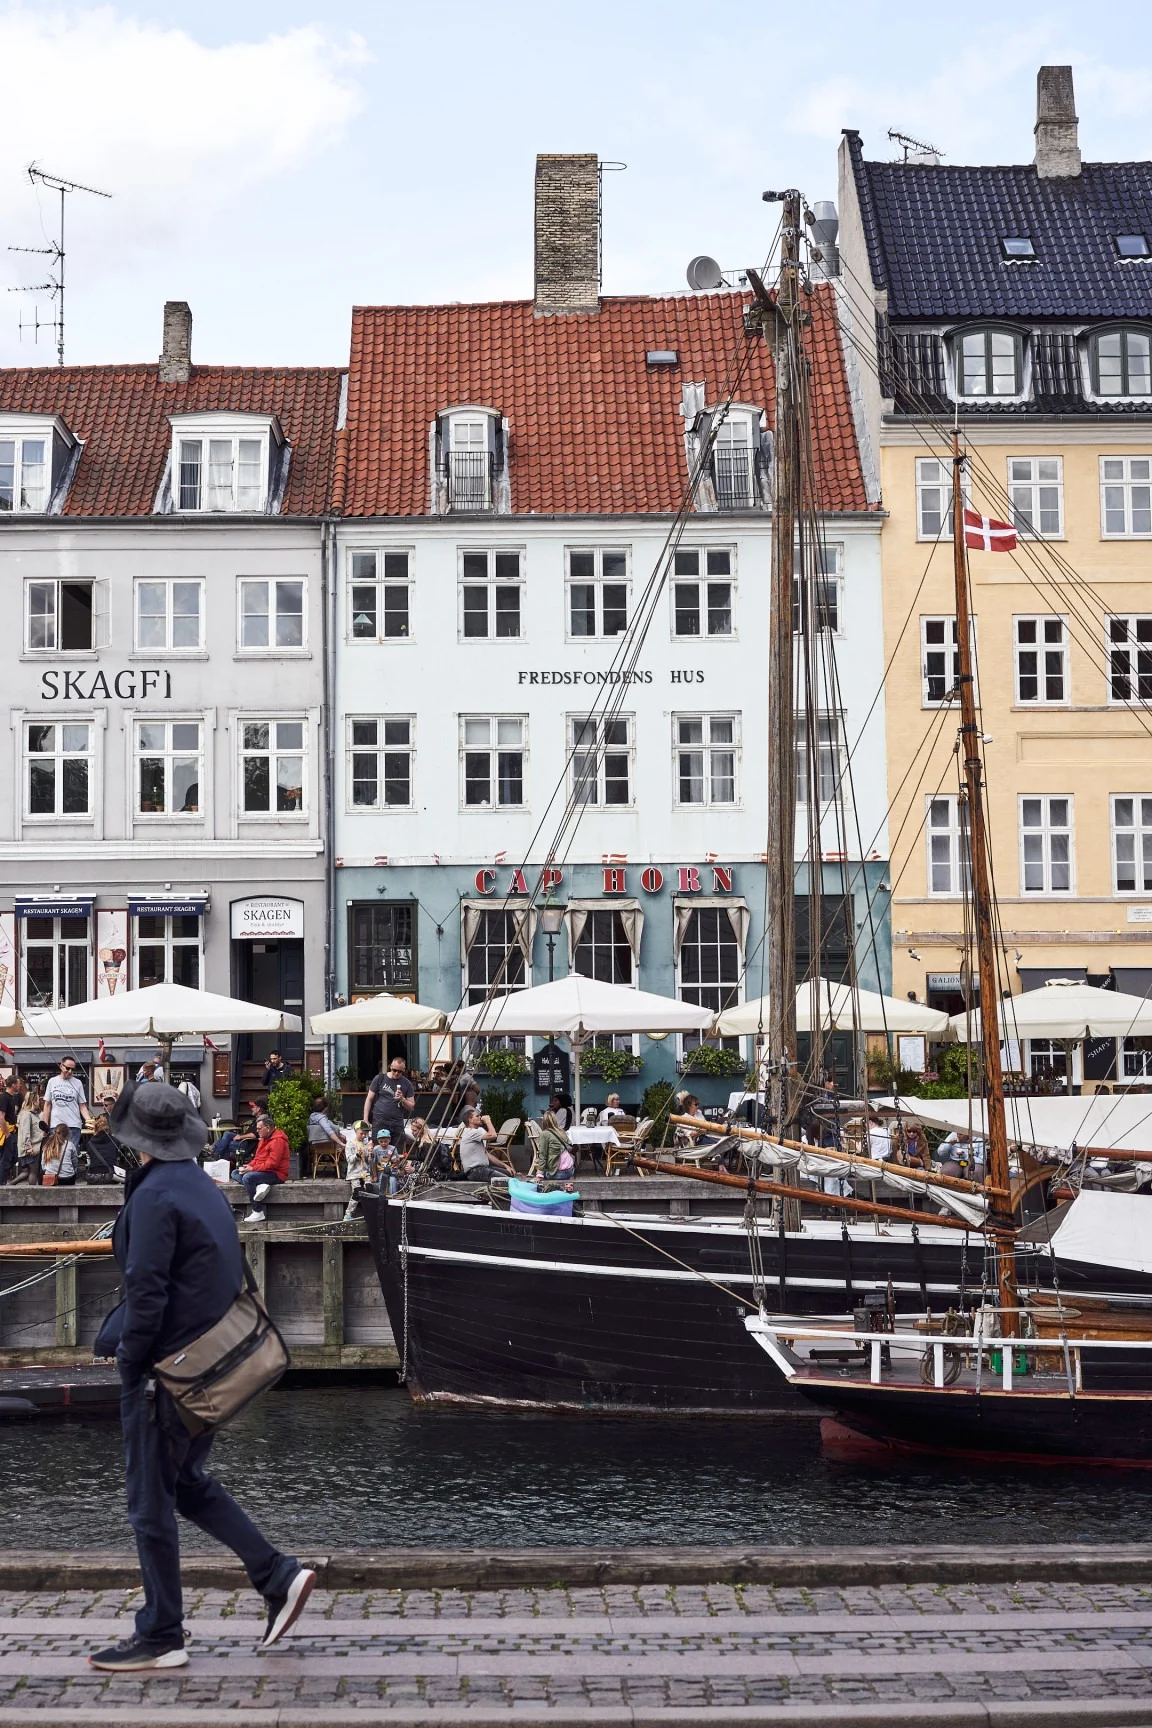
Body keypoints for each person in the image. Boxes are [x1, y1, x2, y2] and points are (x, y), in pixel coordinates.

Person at [88, 1081, 314, 1672]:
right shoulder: (202, 1187)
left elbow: (147, 1296)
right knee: (185, 1481)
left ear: (134, 1138)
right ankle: (276, 1574)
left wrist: (132, 1366)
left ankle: (163, 1632)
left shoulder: (154, 1196)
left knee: (148, 1505)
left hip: (167, 1376)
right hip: (209, 1369)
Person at [43, 1057, 94, 1180]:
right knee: (54, 1152)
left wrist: (88, 1120)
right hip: (56, 1124)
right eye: (68, 1068)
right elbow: (47, 1105)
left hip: (73, 1124)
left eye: (73, 1069)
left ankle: (71, 1178)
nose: (70, 1071)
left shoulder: (77, 1083)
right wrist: (44, 1125)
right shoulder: (52, 1082)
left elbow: (82, 1105)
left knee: (71, 1153)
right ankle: (53, 1178)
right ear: (61, 1066)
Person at [236, 1115, 290, 1222]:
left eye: (259, 1129)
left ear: (268, 1128)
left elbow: (272, 1164)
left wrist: (252, 1169)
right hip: (264, 1171)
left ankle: (258, 1211)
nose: (257, 1131)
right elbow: (258, 1158)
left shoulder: (278, 1141)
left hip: (276, 1174)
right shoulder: (263, 1139)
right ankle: (260, 1185)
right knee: (235, 1172)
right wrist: (249, 1166)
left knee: (247, 1178)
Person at [365, 1055, 416, 1145]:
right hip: (379, 1121)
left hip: (397, 1123)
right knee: (378, 1151)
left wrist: (402, 1099)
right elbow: (369, 1099)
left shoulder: (407, 1083)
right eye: (394, 1070)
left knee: (396, 1154)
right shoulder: (379, 1079)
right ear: (390, 1067)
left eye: (400, 1071)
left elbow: (411, 1107)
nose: (396, 1073)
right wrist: (365, 1119)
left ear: (404, 1070)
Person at [456, 1107, 510, 1180]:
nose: (480, 1117)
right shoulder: (471, 1132)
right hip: (475, 1171)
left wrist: (506, 1166)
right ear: (470, 1119)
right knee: (507, 1180)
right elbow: (493, 1135)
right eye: (477, 1116)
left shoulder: (476, 1132)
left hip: (483, 1169)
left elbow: (487, 1154)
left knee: (509, 1174)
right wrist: (488, 1121)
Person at [14, 1086, 45, 1184]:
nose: (39, 1102)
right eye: (37, 1100)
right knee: (33, 1172)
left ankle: (10, 1185)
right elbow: (25, 1132)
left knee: (27, 1172)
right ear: (33, 1101)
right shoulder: (27, 1114)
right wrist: (28, 1147)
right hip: (31, 1149)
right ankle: (32, 1192)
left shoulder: (32, 1114)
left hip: (31, 1147)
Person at [305, 1096, 344, 1170]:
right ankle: (344, 1169)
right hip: (327, 1146)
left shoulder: (312, 1116)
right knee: (345, 1144)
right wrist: (340, 1142)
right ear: (325, 1108)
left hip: (315, 1146)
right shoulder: (321, 1119)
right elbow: (329, 1131)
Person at [533, 1110, 571, 1181]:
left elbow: (543, 1155)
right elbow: (569, 1147)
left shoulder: (544, 1134)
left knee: (545, 1174)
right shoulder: (562, 1131)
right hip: (570, 1171)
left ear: (543, 1121)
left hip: (559, 1173)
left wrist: (539, 1175)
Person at [0, 1073, 24, 1184]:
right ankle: (2, 1183)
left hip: (12, 1132)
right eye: (18, 1084)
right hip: (7, 1133)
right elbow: (1, 1117)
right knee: (7, 1159)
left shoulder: (12, 1097)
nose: (20, 1086)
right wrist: (8, 1134)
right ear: (13, 1085)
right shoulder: (4, 1097)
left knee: (13, 1157)